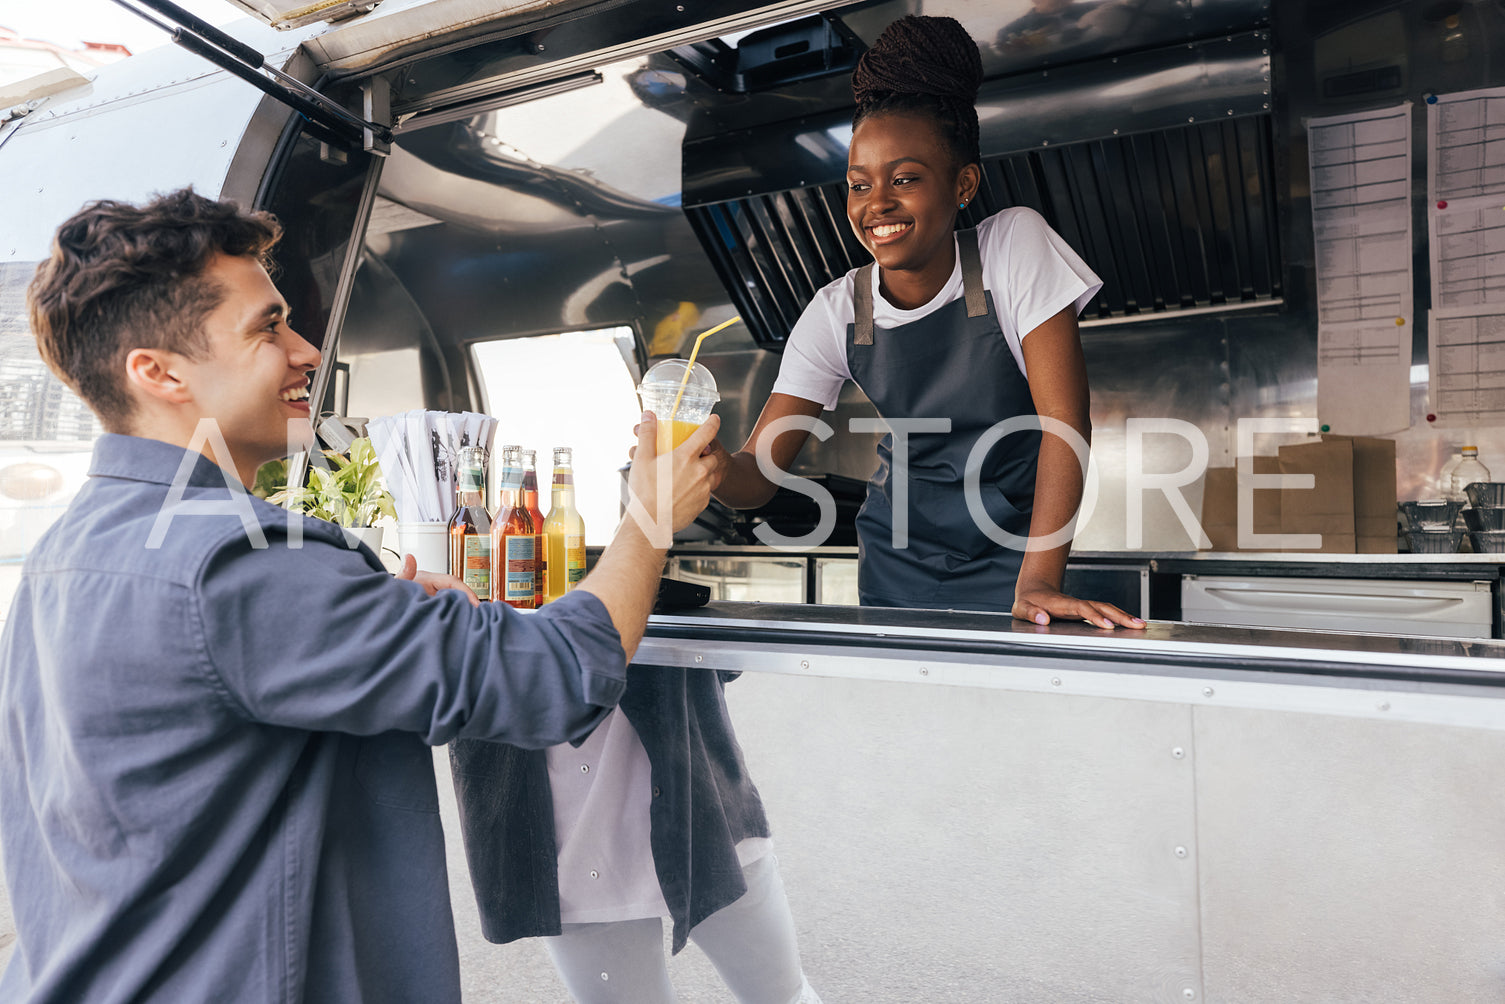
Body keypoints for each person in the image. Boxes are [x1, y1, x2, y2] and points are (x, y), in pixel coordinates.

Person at [0, 189, 719, 1004]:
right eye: (267, 327)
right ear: (158, 372)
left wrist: (382, 611)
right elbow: (551, 674)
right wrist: (650, 515)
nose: (307, 351)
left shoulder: (72, 551)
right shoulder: (243, 563)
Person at [710, 15, 1145, 629]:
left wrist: (1041, 577)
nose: (877, 203)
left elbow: (1064, 427)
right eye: (859, 185)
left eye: (906, 178)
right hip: (896, 562)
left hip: (1020, 560)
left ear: (963, 184)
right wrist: (710, 468)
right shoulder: (836, 310)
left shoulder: (1013, 248)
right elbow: (759, 475)